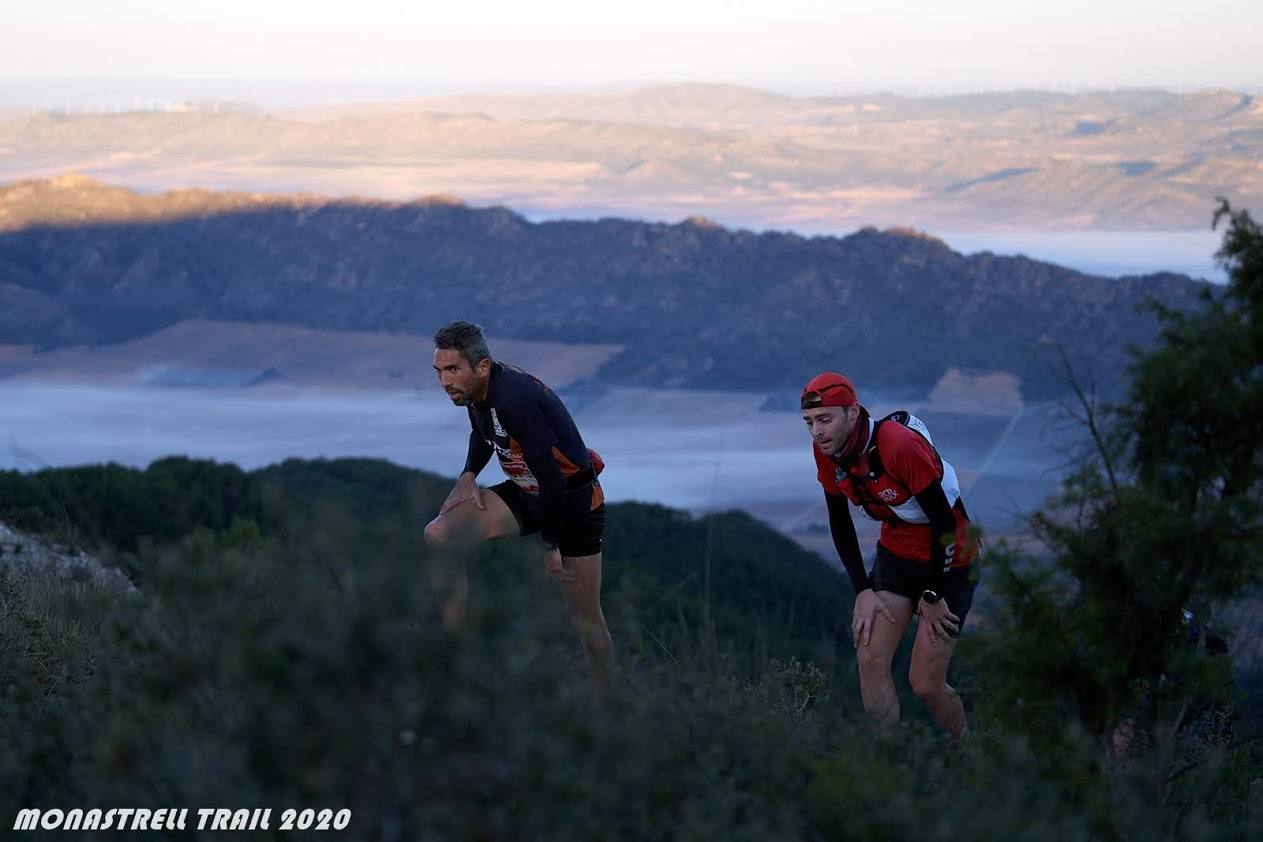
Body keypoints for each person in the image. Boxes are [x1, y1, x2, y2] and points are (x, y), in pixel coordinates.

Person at [422, 321, 615, 695]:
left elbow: (555, 481)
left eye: (452, 370)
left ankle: (608, 704)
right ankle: (453, 651)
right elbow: (483, 432)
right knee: (439, 534)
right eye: (440, 371)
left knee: (586, 620)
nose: (445, 382)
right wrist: (468, 475)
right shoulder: (475, 391)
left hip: (572, 503)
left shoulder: (515, 399)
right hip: (527, 492)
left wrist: (551, 546)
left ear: (482, 365)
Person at [801, 372, 981, 739]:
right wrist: (862, 590)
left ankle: (973, 750)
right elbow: (839, 521)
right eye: (809, 423)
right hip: (897, 556)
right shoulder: (828, 453)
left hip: (950, 560)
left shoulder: (898, 445)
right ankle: (890, 759)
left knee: (926, 684)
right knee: (870, 658)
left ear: (853, 413)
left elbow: (946, 524)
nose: (817, 432)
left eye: (825, 419)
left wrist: (933, 594)